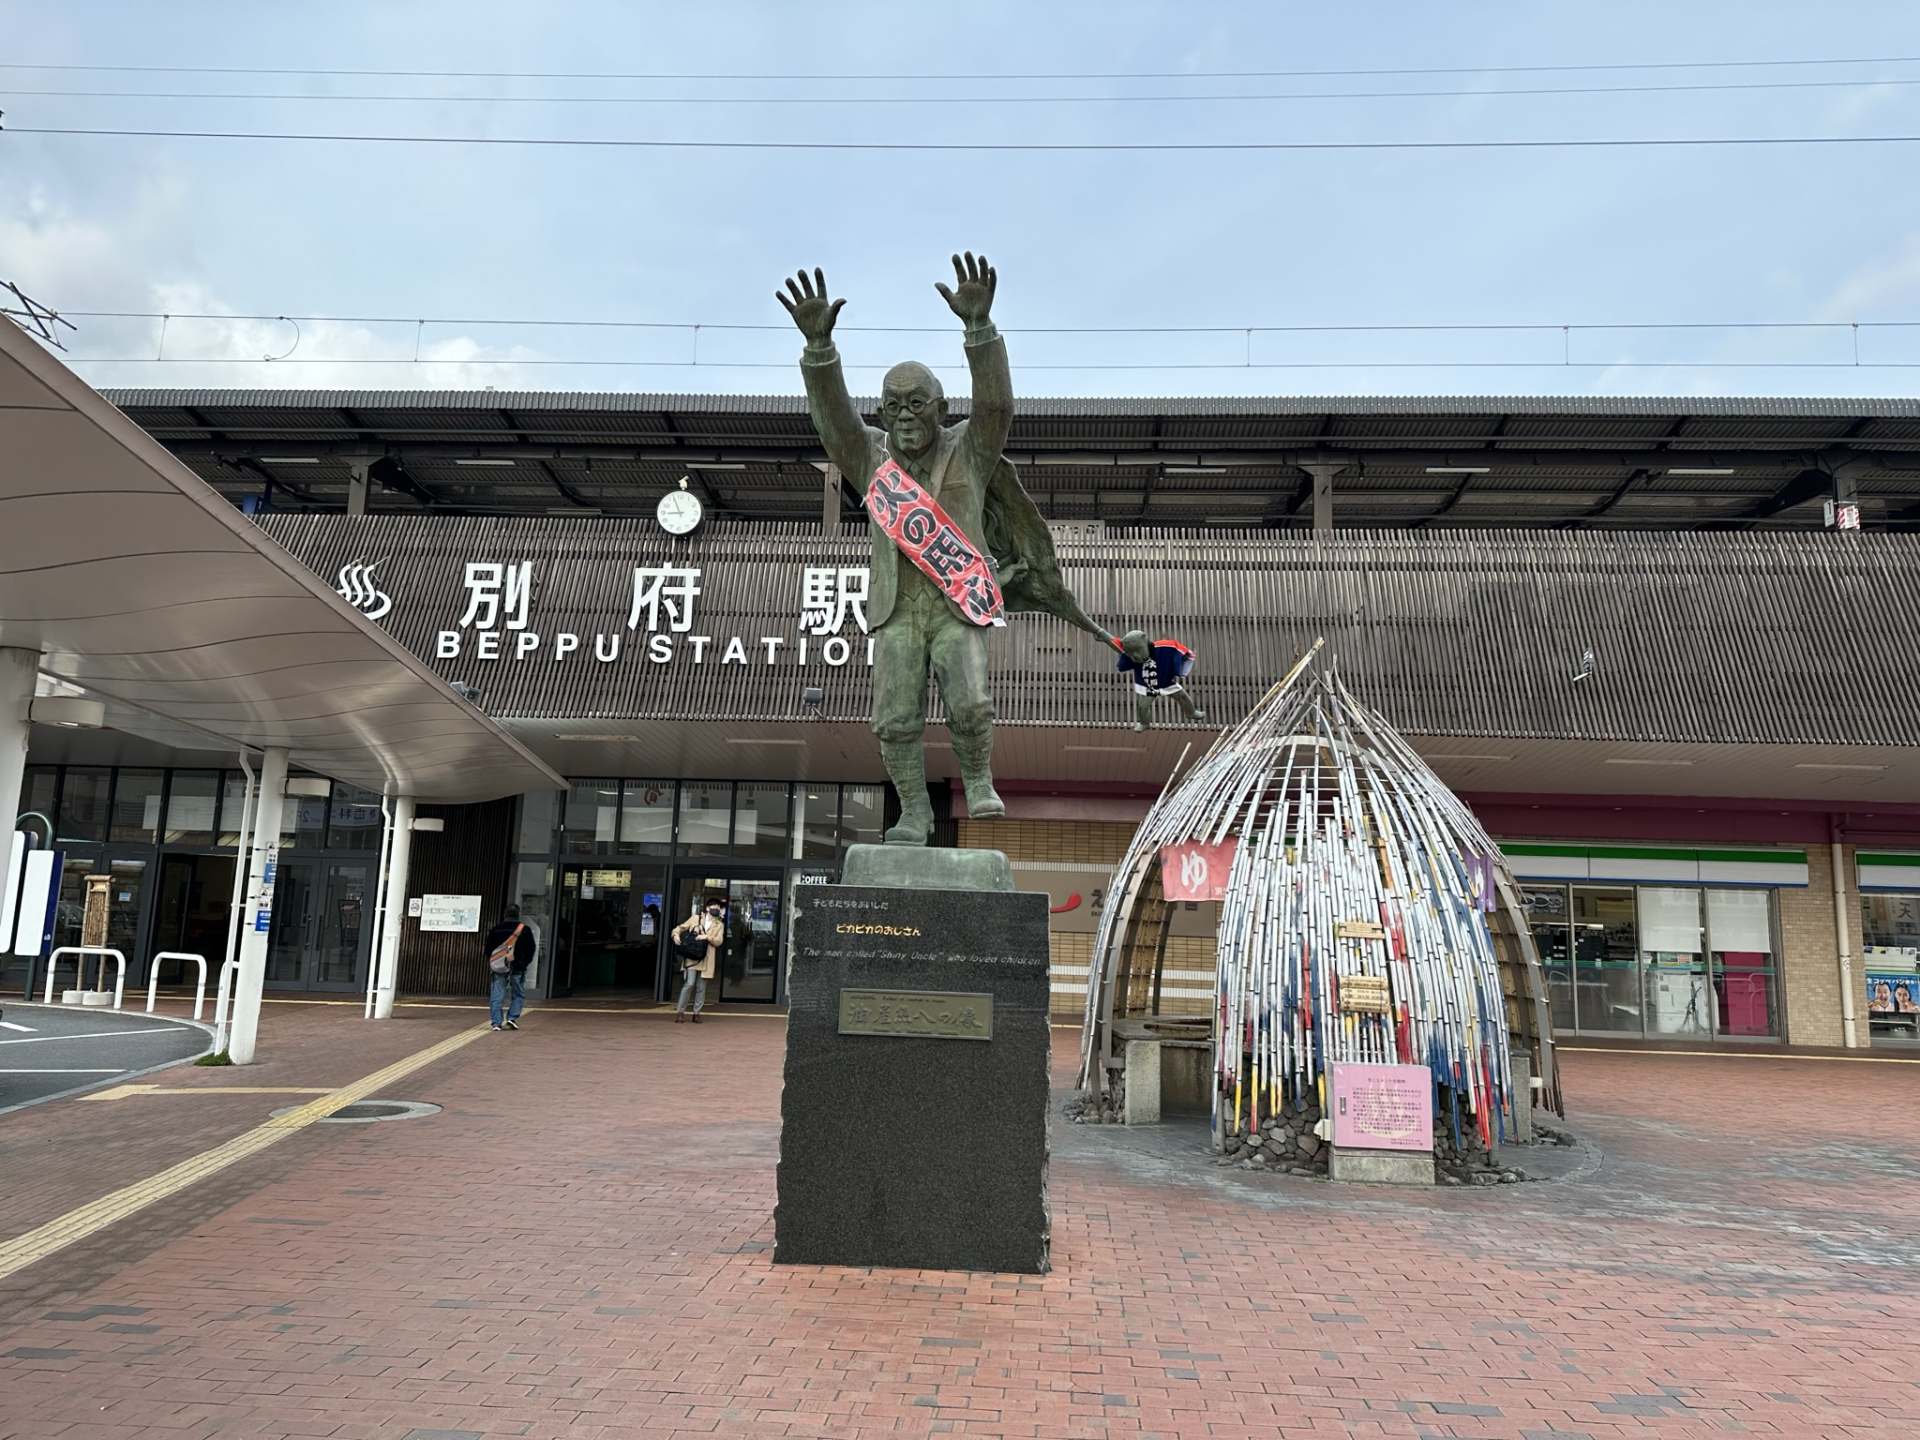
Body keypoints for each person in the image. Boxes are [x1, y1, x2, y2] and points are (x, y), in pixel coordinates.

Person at [779, 256, 1114, 845]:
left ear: (940, 407)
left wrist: (979, 330)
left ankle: (980, 782)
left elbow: (997, 408)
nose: (905, 415)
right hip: (898, 611)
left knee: (971, 700)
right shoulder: (872, 460)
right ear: (881, 413)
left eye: (918, 403)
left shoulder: (969, 450)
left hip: (957, 602)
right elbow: (833, 424)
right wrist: (819, 351)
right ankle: (913, 812)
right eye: (893, 405)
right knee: (895, 718)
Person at [1114, 630, 1207, 730]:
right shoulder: (1131, 656)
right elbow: (1113, 643)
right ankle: (1144, 723)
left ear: (1145, 641)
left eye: (1138, 650)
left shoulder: (1164, 647)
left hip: (1165, 680)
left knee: (1182, 696)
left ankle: (1191, 712)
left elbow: (1178, 650)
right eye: (1131, 653)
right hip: (1148, 684)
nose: (1135, 655)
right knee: (1142, 706)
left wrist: (1183, 658)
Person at [672, 898, 724, 1024]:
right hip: (692, 956)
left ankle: (696, 1013)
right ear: (707, 908)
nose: (716, 909)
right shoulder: (696, 918)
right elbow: (679, 928)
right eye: (714, 907)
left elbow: (719, 941)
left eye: (718, 907)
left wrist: (707, 937)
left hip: (706, 958)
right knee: (689, 984)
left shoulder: (719, 924)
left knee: (701, 987)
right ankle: (680, 1012)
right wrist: (676, 936)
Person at [485, 905, 536, 1032]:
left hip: (499, 967)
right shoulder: (525, 930)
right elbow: (531, 949)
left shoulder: (496, 929)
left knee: (497, 995)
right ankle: (512, 1018)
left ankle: (496, 1023)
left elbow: (488, 949)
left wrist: (494, 962)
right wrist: (524, 963)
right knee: (518, 993)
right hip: (517, 966)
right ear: (518, 914)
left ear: (505, 914)